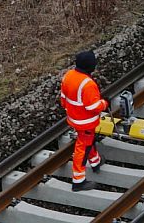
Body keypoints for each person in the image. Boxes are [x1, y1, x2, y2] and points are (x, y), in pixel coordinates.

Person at [59, 50, 107, 192]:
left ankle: (95, 161)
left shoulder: (68, 75)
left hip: (74, 118)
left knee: (88, 141)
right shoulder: (88, 84)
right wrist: (105, 103)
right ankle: (78, 181)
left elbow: (63, 99)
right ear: (90, 66)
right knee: (82, 148)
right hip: (85, 122)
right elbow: (93, 107)